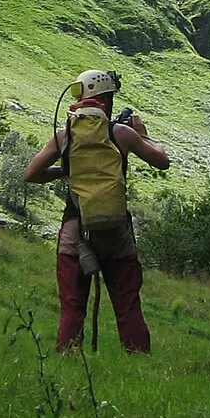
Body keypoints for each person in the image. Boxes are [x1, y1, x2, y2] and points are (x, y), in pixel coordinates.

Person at [23, 67, 171, 353]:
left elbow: (31, 174)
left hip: (75, 232)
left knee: (72, 306)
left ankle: (67, 357)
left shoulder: (64, 135)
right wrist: (144, 135)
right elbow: (162, 162)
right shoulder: (122, 133)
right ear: (106, 99)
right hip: (117, 230)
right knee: (127, 305)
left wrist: (66, 171)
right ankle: (138, 361)